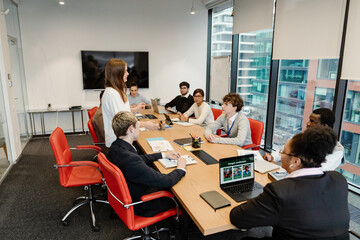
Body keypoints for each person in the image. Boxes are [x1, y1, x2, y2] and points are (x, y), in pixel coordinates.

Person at [230, 126, 350, 239]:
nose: (281, 155)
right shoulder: (339, 180)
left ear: (296, 162)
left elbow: (237, 218)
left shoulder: (280, 191)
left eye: (283, 152)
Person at [107, 111, 186, 217]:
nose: (139, 129)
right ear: (131, 129)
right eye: (138, 126)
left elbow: (139, 158)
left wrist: (163, 155)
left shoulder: (116, 146)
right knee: (183, 196)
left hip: (130, 192)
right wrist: (180, 169)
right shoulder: (131, 160)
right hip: (143, 204)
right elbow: (167, 181)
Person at [101, 59, 158, 147]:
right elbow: (122, 122)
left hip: (121, 140)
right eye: (125, 71)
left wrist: (134, 109)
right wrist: (145, 124)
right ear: (118, 73)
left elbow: (121, 112)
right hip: (118, 142)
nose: (128, 73)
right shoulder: (113, 94)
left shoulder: (114, 91)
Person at [265, 108, 344, 171]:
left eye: (312, 121)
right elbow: (286, 151)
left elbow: (317, 171)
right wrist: (272, 157)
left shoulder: (337, 150)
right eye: (309, 120)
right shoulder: (304, 138)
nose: (308, 124)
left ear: (324, 126)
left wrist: (280, 168)